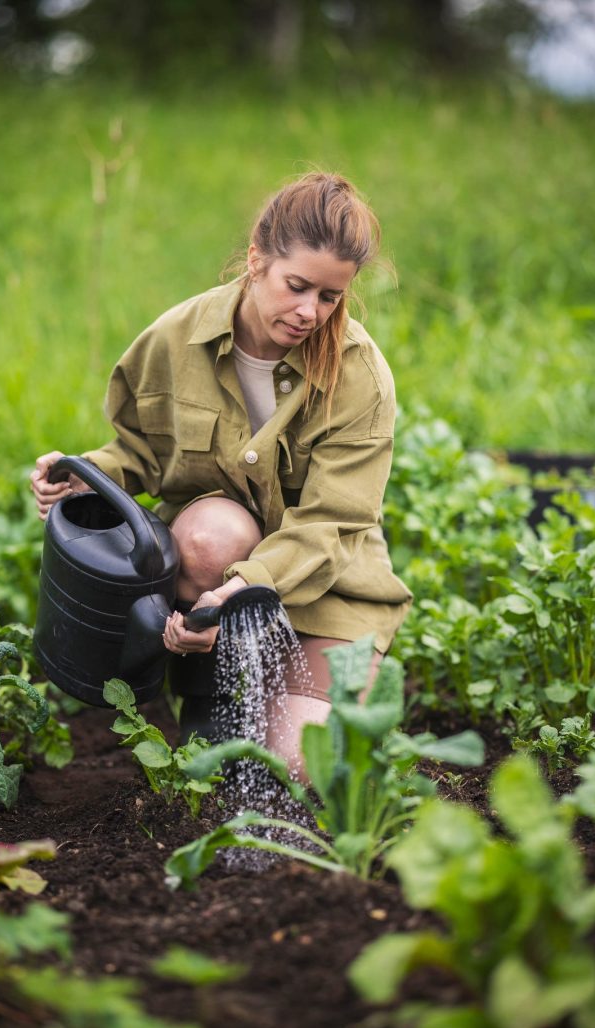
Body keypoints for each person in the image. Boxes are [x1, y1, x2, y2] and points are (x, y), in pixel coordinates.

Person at [30, 172, 412, 779]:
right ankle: (211, 695)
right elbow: (139, 450)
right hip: (211, 579)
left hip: (326, 588)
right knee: (208, 536)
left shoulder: (359, 376)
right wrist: (84, 475)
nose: (311, 312)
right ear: (257, 259)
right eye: (297, 286)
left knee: (300, 766)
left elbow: (332, 525)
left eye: (331, 297)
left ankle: (293, 695)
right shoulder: (174, 340)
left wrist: (247, 588)